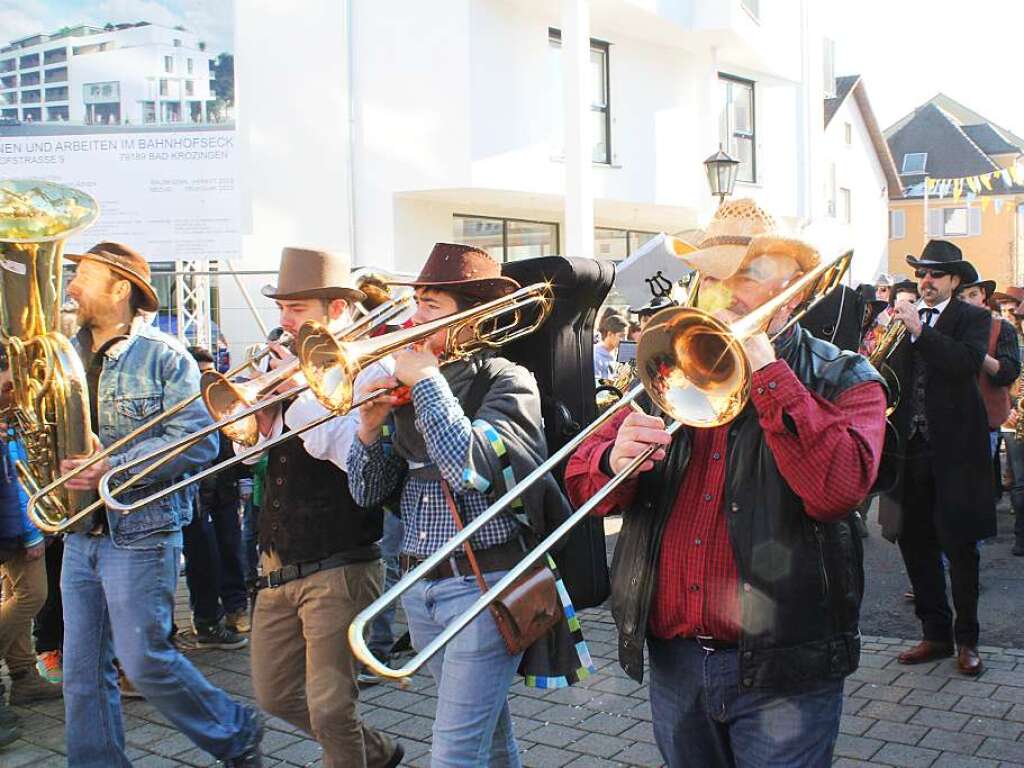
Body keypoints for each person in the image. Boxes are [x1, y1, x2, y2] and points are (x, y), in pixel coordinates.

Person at [565, 199, 888, 767]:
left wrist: (766, 370)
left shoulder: (845, 377)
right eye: (711, 276)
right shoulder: (666, 365)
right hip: (676, 662)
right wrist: (614, 460)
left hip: (786, 666)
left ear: (791, 289)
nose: (722, 292)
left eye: (746, 276)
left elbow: (837, 490)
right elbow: (583, 485)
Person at [349, 243, 571, 767]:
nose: (413, 317)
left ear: (473, 318)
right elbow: (367, 493)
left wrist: (426, 383)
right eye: (417, 302)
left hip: (483, 587)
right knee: (488, 738)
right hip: (417, 586)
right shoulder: (414, 391)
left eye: (432, 306)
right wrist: (368, 427)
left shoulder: (509, 381)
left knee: (454, 753)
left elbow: (467, 469)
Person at [58, 242, 263, 767]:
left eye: (84, 275)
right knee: (81, 670)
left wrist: (115, 463)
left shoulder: (164, 355)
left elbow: (198, 441)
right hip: (80, 530)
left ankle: (234, 732)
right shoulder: (62, 352)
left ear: (120, 288)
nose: (72, 285)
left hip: (140, 530)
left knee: (144, 660)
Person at [237, 247, 401, 768]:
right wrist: (256, 420)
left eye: (297, 309)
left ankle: (352, 756)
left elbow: (353, 458)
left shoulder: (375, 361)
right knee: (274, 695)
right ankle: (375, 753)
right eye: (282, 307)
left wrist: (299, 389)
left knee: (330, 709)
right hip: (276, 563)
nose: (283, 321)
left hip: (339, 563)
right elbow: (248, 460)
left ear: (335, 310)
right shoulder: (282, 359)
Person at [878, 240, 994, 677]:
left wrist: (920, 332)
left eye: (935, 275)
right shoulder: (901, 317)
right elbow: (880, 370)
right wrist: (888, 329)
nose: (926, 282)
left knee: (960, 546)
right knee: (914, 540)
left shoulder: (974, 318)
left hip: (956, 452)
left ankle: (968, 640)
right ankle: (935, 634)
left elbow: (964, 364)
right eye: (922, 274)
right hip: (909, 449)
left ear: (954, 281)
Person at [0, 359, 62, 715]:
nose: (14, 393)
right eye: (8, 386)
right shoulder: (7, 424)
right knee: (32, 595)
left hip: (15, 525)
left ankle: (24, 676)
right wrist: (31, 533)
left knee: (14, 592)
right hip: (18, 526)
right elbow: (16, 483)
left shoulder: (12, 418)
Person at [181, 346, 251, 645]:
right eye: (200, 372)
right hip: (195, 492)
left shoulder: (222, 399)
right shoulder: (181, 407)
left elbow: (237, 439)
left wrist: (243, 480)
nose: (206, 378)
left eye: (210, 371)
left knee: (231, 548)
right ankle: (207, 617)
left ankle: (236, 608)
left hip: (224, 488)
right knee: (202, 557)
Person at [957, 278, 1021, 459]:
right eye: (961, 298)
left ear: (983, 295)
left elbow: (1008, 372)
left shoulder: (1002, 328)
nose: (968, 302)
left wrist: (978, 354)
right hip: (952, 421)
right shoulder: (950, 326)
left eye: (973, 295)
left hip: (985, 422)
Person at [994, 287, 1024, 554]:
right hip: (1015, 421)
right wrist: (1012, 407)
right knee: (1020, 482)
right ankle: (1021, 537)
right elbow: (1004, 380)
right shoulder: (1015, 344)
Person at [594, 312, 628, 379]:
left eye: (625, 336)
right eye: (621, 336)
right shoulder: (596, 357)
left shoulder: (617, 354)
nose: (625, 340)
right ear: (610, 334)